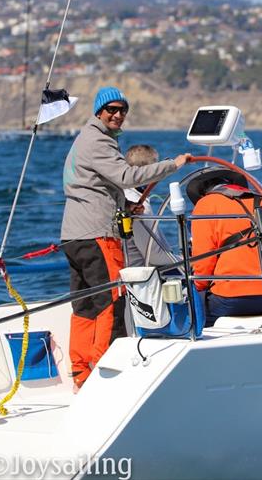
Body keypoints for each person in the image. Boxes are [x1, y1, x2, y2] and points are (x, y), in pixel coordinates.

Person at [61, 86, 191, 389]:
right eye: (112, 109)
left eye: (122, 110)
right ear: (98, 112)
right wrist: (174, 165)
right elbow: (127, 177)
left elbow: (95, 184)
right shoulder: (99, 141)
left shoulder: (86, 138)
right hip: (97, 235)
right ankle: (104, 374)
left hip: (73, 235)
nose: (118, 115)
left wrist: (124, 204)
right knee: (110, 303)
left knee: (84, 307)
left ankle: (81, 372)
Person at [188, 169, 262, 326]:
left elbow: (204, 262)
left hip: (229, 300)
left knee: (189, 312)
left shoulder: (205, 205)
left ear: (204, 192)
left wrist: (197, 289)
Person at [123, 144, 177, 267]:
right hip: (142, 278)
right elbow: (153, 256)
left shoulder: (125, 197)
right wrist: (189, 260)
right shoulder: (138, 206)